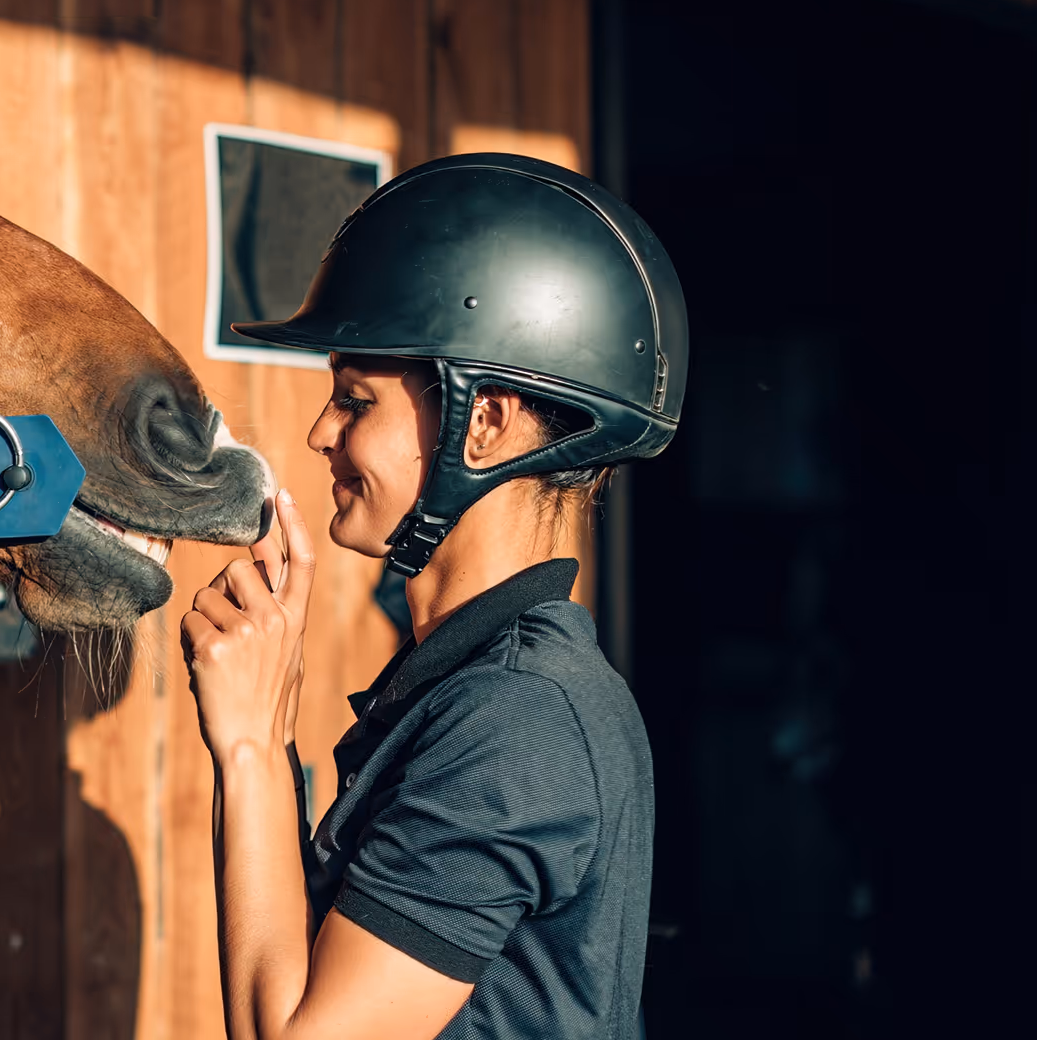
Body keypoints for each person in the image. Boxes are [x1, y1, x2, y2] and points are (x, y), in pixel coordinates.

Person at [182, 152, 687, 1040]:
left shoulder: (517, 719)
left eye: (354, 400)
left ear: (482, 424)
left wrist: (255, 746)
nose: (319, 432)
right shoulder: (482, 689)